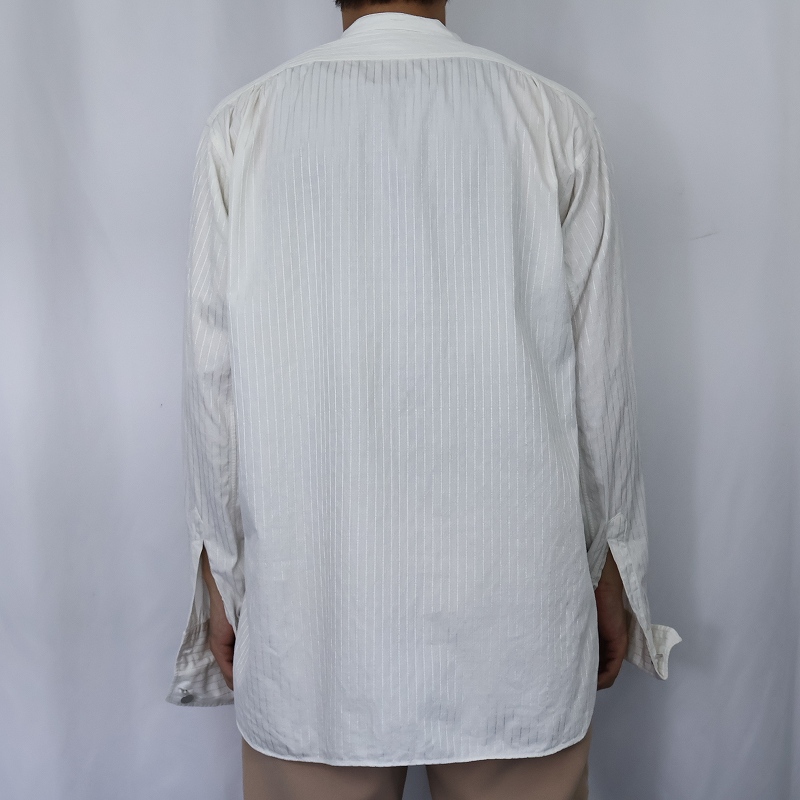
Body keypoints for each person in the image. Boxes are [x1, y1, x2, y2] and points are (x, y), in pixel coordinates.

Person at [166, 1, 682, 797]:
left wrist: (222, 579)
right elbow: (601, 381)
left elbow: (213, 385)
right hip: (516, 626)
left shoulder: (243, 125)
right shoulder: (552, 119)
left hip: (313, 627)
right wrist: (615, 566)